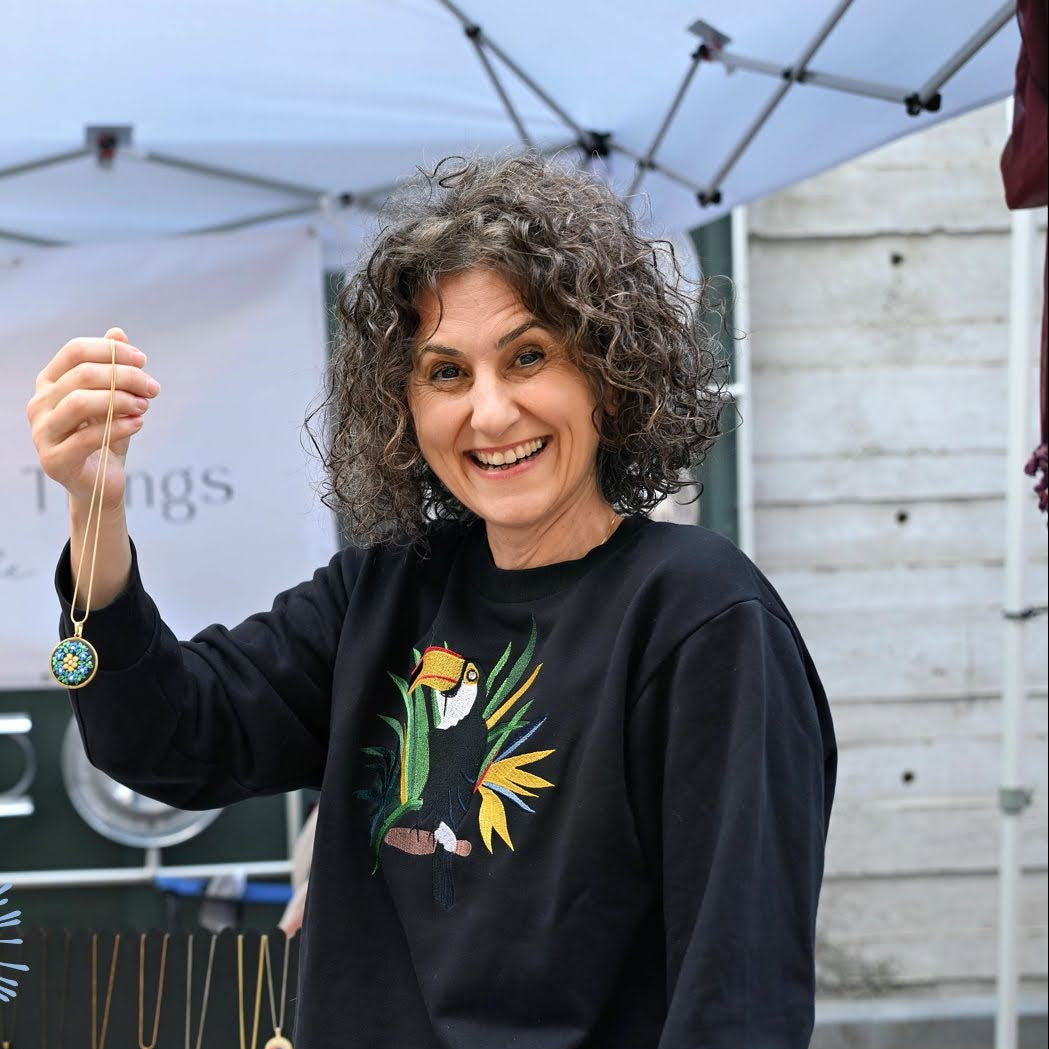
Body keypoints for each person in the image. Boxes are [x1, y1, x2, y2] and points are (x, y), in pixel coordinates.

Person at [27, 153, 836, 1048]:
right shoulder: (383, 592)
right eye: (446, 372)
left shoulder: (701, 619)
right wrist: (93, 506)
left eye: (529, 357)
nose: (489, 414)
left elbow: (738, 996)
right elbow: (164, 739)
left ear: (608, 372)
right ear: (403, 405)